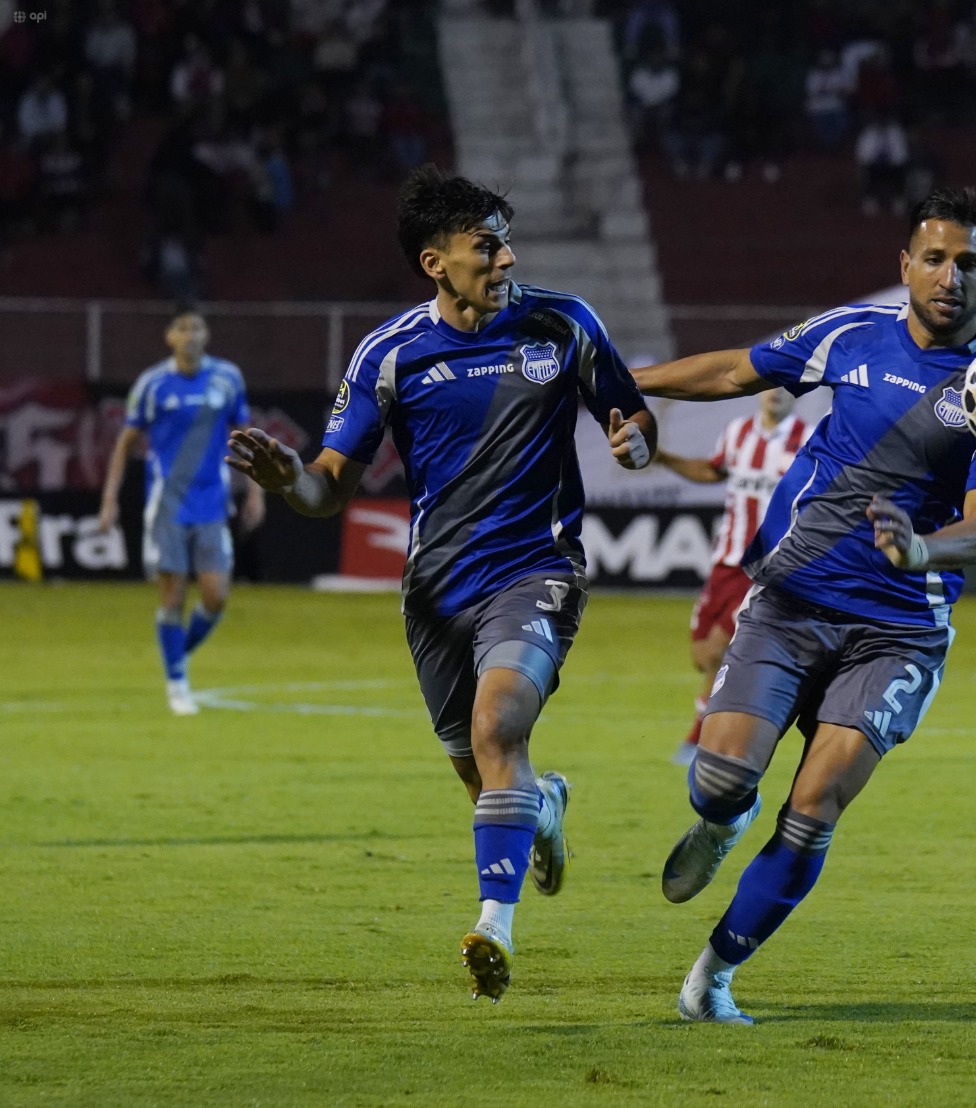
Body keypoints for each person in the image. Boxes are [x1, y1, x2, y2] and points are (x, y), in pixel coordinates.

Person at [224, 166, 657, 1003]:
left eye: (505, 242)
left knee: (499, 726)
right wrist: (287, 481)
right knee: (482, 770)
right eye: (487, 246)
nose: (506, 260)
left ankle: (493, 927)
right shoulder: (390, 354)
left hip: (538, 571)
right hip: (435, 595)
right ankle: (546, 803)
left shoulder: (562, 323)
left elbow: (630, 412)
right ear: (436, 262)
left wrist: (633, 443)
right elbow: (327, 489)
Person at [632, 186, 976, 1025]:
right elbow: (739, 369)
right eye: (934, 259)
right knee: (718, 781)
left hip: (897, 633)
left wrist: (926, 547)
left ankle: (711, 979)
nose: (949, 276)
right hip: (789, 602)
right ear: (905, 265)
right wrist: (627, 384)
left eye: (968, 263)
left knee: (814, 809)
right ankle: (721, 822)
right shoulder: (851, 333)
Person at [98, 310, 265, 715]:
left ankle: (176, 656)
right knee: (172, 596)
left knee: (216, 596)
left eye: (197, 327)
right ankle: (177, 683)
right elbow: (125, 443)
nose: (190, 335)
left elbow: (244, 438)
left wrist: (256, 492)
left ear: (207, 334)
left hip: (211, 503)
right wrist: (109, 500)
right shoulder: (152, 385)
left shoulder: (227, 378)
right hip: (168, 508)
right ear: (169, 335)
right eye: (182, 328)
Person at [653, 388, 811, 765]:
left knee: (721, 649)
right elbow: (713, 469)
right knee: (703, 654)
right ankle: (744, 715)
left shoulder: (807, 440)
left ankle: (699, 741)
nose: (777, 392)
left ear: (798, 395)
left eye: (787, 386)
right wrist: (663, 458)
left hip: (766, 567)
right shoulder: (738, 432)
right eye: (770, 384)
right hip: (725, 562)